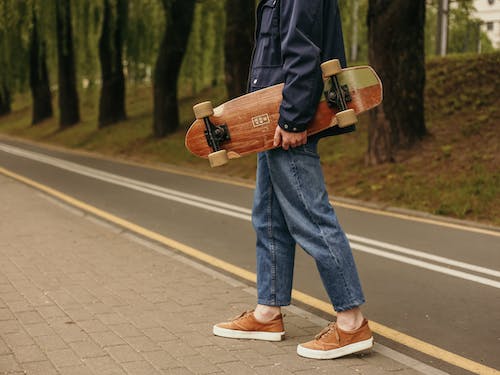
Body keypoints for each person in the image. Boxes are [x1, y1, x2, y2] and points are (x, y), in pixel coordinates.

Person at [213, 0, 373, 359]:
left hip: (286, 120)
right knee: (268, 219)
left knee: (312, 219)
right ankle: (268, 313)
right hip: (269, 117)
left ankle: (351, 322)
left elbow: (303, 51)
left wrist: (293, 119)